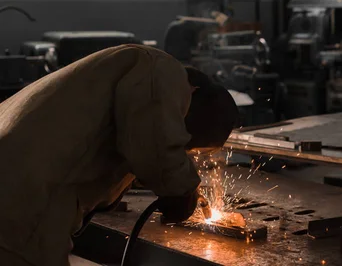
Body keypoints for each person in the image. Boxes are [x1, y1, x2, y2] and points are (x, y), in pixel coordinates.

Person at [0, 44, 239, 266]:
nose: (185, 150)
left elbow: (131, 146)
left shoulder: (129, 74)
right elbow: (156, 147)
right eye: (189, 145)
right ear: (193, 98)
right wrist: (182, 189)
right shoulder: (162, 70)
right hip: (21, 202)